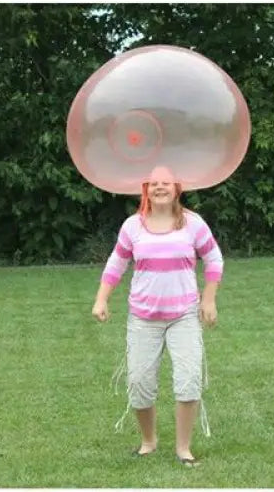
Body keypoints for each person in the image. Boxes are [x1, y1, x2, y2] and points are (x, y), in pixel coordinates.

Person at [93, 165, 224, 467]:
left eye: (165, 183)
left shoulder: (193, 224)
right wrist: (101, 299)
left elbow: (213, 257)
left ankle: (183, 448)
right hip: (143, 317)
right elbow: (117, 263)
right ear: (145, 190)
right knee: (139, 383)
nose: (159, 187)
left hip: (184, 316)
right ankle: (148, 441)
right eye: (153, 184)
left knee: (189, 380)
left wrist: (209, 299)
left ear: (177, 188)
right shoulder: (132, 226)